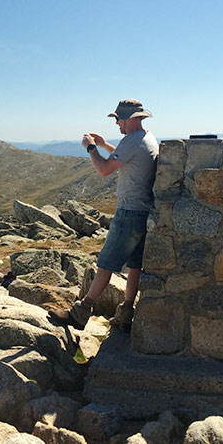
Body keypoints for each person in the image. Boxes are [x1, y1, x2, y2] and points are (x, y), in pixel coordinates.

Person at [49, 99, 159, 331]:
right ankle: (126, 313)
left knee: (106, 264)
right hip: (143, 211)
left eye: (118, 119)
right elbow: (124, 157)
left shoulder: (131, 140)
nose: (117, 123)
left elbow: (104, 169)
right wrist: (106, 145)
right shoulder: (147, 138)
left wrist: (91, 148)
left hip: (129, 212)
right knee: (134, 266)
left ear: (128, 119)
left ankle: (80, 313)